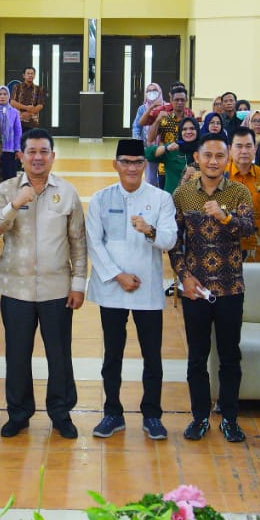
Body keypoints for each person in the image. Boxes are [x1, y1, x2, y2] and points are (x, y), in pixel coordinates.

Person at [0, 128, 86, 440]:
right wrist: (14, 205)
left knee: (59, 355)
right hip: (16, 288)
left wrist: (78, 284)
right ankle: (18, 414)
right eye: (32, 152)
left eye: (44, 152)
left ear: (53, 156)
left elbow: (78, 243)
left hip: (57, 289)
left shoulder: (67, 192)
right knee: (17, 355)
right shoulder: (7, 189)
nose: (38, 157)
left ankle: (61, 413)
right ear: (21, 156)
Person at [83, 138, 178, 440]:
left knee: (152, 356)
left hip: (147, 289)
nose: (132, 168)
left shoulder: (161, 199)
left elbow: (170, 239)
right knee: (113, 354)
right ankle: (112, 412)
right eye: (125, 162)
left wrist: (149, 230)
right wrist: (118, 275)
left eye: (137, 162)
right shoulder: (101, 199)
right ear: (116, 165)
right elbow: (93, 243)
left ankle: (152, 415)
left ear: (145, 164)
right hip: (113, 289)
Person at [170, 133, 256, 443]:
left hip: (231, 288)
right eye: (207, 155)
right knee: (197, 356)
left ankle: (230, 418)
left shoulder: (238, 191)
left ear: (227, 158)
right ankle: (199, 417)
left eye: (220, 156)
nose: (213, 161)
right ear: (197, 157)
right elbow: (174, 243)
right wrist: (184, 277)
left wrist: (224, 216)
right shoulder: (183, 194)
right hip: (196, 289)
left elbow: (249, 230)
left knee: (230, 356)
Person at [227, 127, 260, 263]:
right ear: (230, 149)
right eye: (239, 146)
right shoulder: (219, 177)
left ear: (255, 149)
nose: (244, 151)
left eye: (248, 146)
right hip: (223, 257)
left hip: (257, 257)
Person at [147, 116, 199, 194]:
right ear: (180, 132)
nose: (188, 132)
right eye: (184, 129)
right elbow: (148, 154)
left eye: (192, 128)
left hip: (197, 199)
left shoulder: (204, 150)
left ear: (197, 130)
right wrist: (166, 148)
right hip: (172, 198)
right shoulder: (173, 149)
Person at [0, 85, 22, 182]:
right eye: (0, 94)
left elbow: (18, 132)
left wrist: (17, 149)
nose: (2, 96)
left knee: (10, 179)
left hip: (9, 150)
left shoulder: (14, 112)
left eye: (5, 94)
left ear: (9, 96)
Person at [10, 66, 45, 132]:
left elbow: (40, 105)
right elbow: (12, 102)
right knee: (18, 138)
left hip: (32, 121)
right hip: (18, 119)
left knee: (31, 138)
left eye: (32, 73)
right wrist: (26, 108)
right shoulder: (17, 87)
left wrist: (29, 113)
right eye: (28, 73)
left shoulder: (39, 89)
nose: (30, 75)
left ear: (34, 75)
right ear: (24, 75)